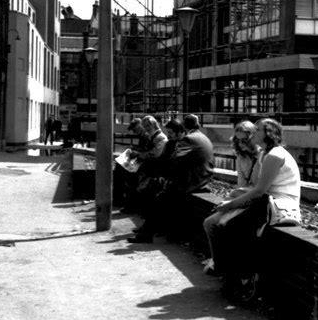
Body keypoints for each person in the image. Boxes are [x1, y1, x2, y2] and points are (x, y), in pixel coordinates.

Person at [203, 118, 301, 301]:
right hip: (267, 201)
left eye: (257, 130)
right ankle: (235, 279)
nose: (253, 133)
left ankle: (239, 279)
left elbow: (259, 189)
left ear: (268, 134)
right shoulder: (266, 153)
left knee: (232, 228)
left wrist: (231, 204)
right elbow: (255, 188)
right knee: (229, 227)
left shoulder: (275, 155)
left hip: (277, 203)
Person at [128, 113, 214, 244]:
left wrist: (165, 177)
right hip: (202, 177)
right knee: (161, 194)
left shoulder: (189, 139)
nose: (168, 135)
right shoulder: (202, 137)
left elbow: (175, 162)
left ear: (183, 127)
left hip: (194, 179)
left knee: (160, 198)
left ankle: (146, 235)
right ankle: (152, 231)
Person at [203, 120, 262, 275]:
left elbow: (257, 188)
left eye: (245, 140)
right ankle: (218, 262)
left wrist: (233, 200)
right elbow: (241, 185)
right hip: (243, 198)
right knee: (209, 223)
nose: (241, 144)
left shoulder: (263, 156)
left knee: (225, 224)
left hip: (256, 201)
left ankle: (227, 268)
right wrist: (231, 201)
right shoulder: (240, 157)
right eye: (238, 140)